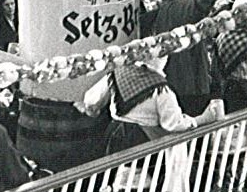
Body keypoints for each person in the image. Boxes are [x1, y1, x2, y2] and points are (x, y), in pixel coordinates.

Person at [79, 53, 224, 153]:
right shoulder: (161, 90)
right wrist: (201, 119)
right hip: (142, 140)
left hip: (115, 133)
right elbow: (173, 124)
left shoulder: (118, 72)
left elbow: (91, 101)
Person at [140, 0, 226, 114]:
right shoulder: (179, 9)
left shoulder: (163, 9)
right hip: (190, 84)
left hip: (170, 82)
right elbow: (203, 3)